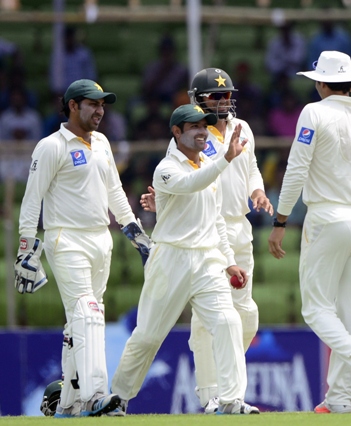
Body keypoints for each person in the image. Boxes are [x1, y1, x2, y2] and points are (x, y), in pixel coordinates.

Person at [268, 51, 351, 414]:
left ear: (321, 83)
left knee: (315, 308)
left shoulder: (315, 112)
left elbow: (295, 169)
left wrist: (280, 221)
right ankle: (340, 398)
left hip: (328, 219)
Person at [15, 79, 152, 417]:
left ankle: (69, 403)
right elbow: (31, 201)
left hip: (100, 239)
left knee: (84, 319)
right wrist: (26, 249)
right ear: (72, 106)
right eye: (92, 104)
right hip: (66, 239)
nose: (100, 110)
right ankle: (94, 397)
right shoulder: (51, 146)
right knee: (87, 312)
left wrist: (134, 231)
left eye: (103, 104)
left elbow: (115, 192)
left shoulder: (103, 143)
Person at [139, 67, 273, 414]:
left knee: (246, 315)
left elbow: (252, 165)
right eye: (216, 96)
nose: (223, 101)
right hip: (208, 232)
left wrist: (257, 189)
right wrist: (165, 204)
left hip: (240, 229)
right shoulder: (191, 136)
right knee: (208, 319)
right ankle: (212, 395)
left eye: (227, 94)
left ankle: (225, 383)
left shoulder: (244, 129)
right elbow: (182, 181)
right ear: (198, 99)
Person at [111, 104, 259, 415]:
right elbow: (191, 184)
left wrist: (229, 259)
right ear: (177, 132)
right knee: (148, 336)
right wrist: (226, 159)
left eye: (205, 126)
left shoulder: (208, 163)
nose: (202, 131)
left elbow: (216, 218)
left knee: (228, 321)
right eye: (194, 127)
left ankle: (231, 400)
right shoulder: (166, 168)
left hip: (207, 260)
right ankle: (118, 398)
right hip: (170, 259)